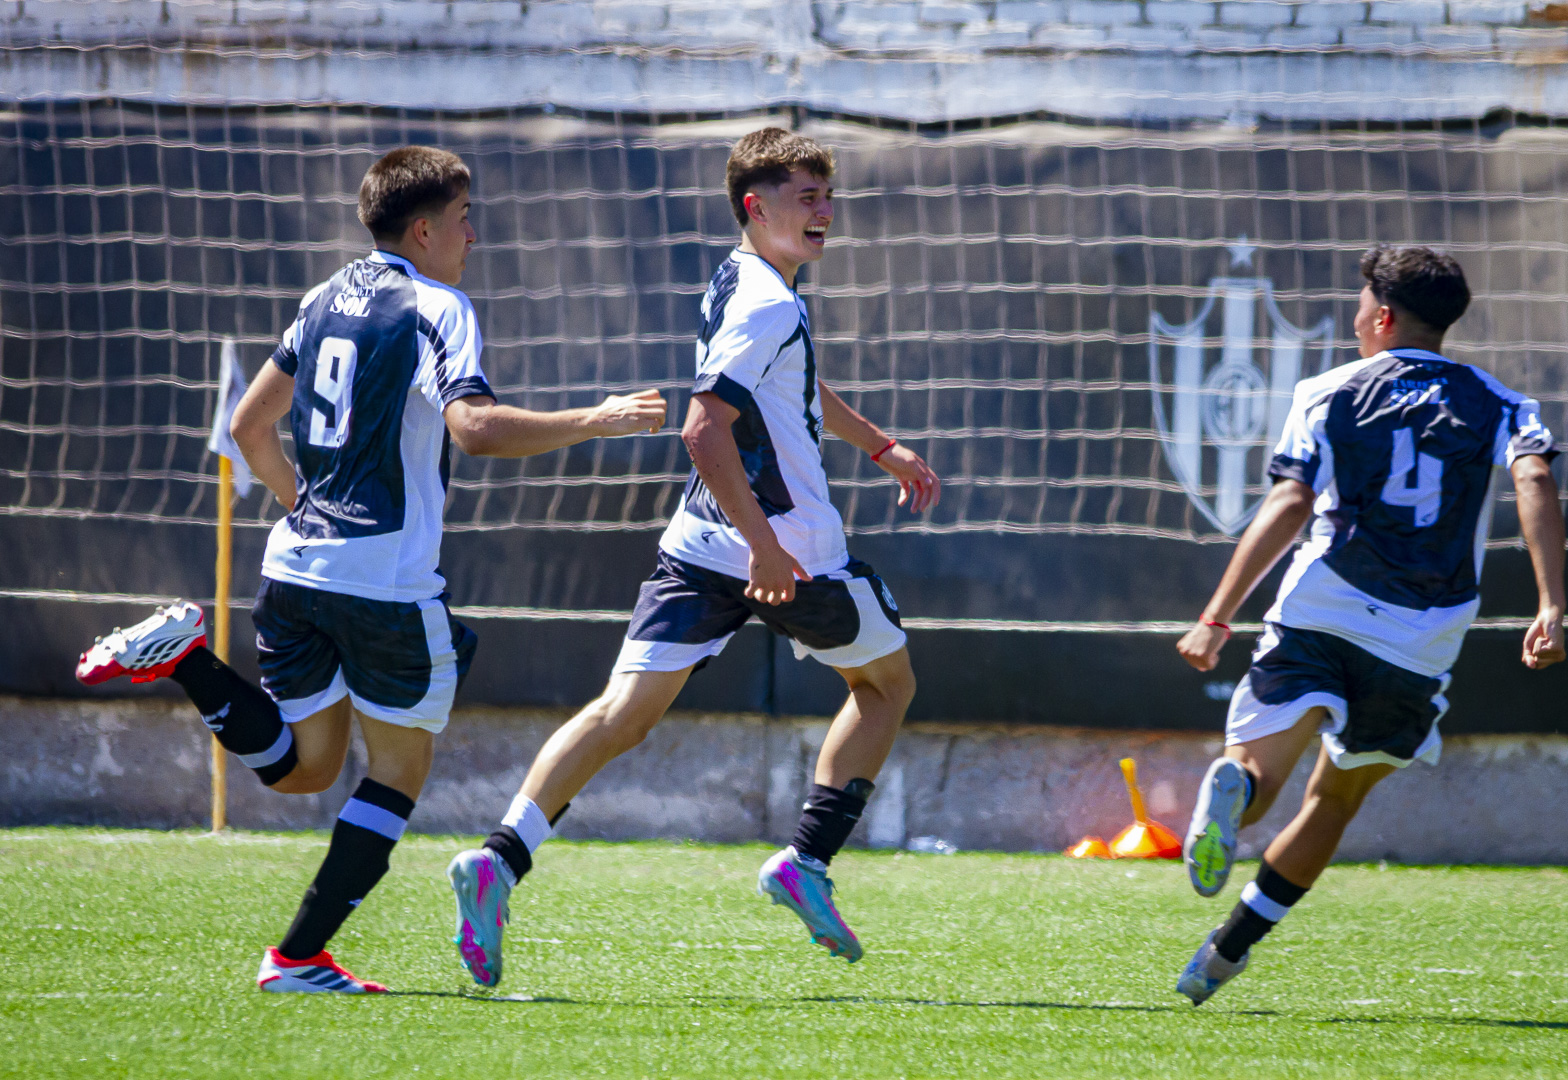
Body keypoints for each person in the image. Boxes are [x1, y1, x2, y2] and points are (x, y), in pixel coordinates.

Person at [75, 146, 666, 993]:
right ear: (423, 230)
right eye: (464, 218)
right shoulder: (440, 306)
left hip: (296, 569)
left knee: (306, 769)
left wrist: (307, 510)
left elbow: (248, 428)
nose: (473, 235)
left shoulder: (324, 296)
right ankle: (296, 958)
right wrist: (598, 418)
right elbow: (475, 429)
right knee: (398, 771)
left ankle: (189, 659)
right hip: (382, 584)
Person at [444, 127, 941, 988]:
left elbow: (790, 382)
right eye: (806, 197)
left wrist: (879, 445)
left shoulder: (738, 277)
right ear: (756, 205)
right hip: (791, 554)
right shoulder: (770, 303)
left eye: (828, 196)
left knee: (622, 715)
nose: (824, 211)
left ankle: (498, 858)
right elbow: (703, 428)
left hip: (698, 543)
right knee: (887, 686)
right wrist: (768, 549)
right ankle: (806, 861)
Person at [1172, 245, 1565, 1005]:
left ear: (1382, 317)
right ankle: (1226, 953)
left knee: (1259, 773)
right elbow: (1535, 477)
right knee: (1335, 800)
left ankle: (1236, 791)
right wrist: (1551, 604)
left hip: (1323, 605)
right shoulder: (1501, 402)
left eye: (1359, 307)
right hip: (1420, 635)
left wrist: (1217, 616)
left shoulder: (1326, 390)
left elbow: (1290, 502)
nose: (1354, 321)